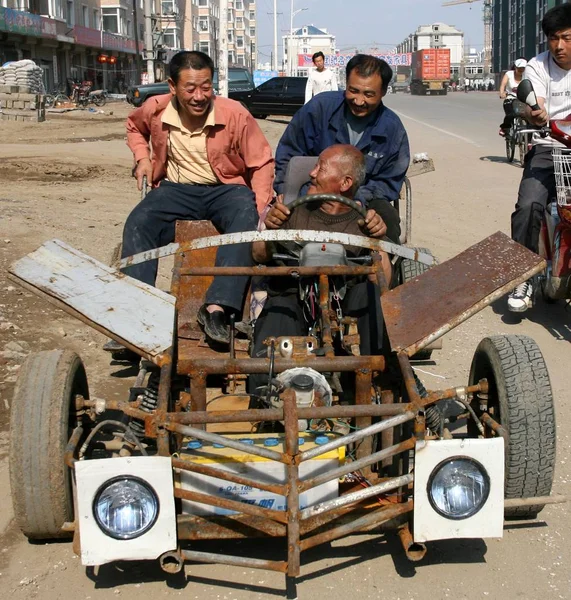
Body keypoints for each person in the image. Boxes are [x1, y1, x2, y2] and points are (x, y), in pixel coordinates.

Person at [120, 50, 274, 343]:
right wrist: (143, 158)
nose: (199, 96)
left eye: (206, 87)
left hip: (225, 188)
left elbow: (261, 162)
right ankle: (135, 313)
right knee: (139, 222)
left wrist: (262, 209)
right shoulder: (155, 108)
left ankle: (217, 308)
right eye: (190, 88)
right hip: (175, 189)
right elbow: (133, 127)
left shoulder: (234, 113)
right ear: (172, 86)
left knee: (245, 216)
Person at [249, 144, 391, 402]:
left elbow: (384, 282)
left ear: (345, 182)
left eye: (320, 168)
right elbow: (258, 256)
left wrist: (376, 241)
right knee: (278, 307)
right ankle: (264, 398)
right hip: (294, 296)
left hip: (344, 307)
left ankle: (377, 386)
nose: (311, 174)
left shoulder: (365, 222)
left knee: (373, 297)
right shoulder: (290, 213)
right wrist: (270, 229)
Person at [276, 54, 410, 245]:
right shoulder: (319, 109)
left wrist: (360, 199)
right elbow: (288, 153)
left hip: (365, 199)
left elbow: (389, 180)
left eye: (368, 94)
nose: (358, 101)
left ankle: (388, 273)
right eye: (353, 91)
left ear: (383, 92)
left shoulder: (393, 129)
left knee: (387, 224)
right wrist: (285, 190)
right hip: (312, 194)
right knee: (275, 236)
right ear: (345, 84)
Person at [508, 4, 571, 312]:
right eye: (553, 38)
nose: (559, 46)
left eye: (567, 37)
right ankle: (523, 275)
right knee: (528, 205)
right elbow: (536, 100)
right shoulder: (538, 66)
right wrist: (537, 113)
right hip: (549, 146)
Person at [498, 58, 527, 136]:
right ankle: (504, 128)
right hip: (510, 99)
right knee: (511, 114)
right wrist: (502, 93)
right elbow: (503, 85)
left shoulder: (527, 75)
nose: (521, 70)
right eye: (519, 68)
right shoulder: (509, 74)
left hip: (523, 100)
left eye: (523, 68)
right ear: (515, 67)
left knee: (529, 117)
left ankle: (529, 141)